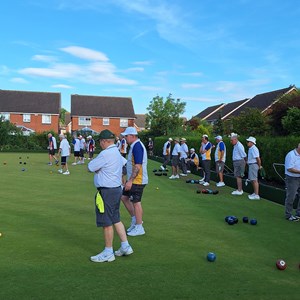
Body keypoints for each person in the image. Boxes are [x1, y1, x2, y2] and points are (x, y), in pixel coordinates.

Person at [88, 129, 133, 263]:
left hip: (107, 191)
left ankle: (108, 252)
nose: (99, 144)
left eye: (100, 141)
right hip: (116, 189)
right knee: (115, 218)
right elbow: (125, 165)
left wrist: (99, 168)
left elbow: (90, 167)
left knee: (106, 221)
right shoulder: (117, 152)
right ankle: (125, 245)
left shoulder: (105, 154)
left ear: (104, 141)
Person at [120, 127, 148, 236]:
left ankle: (139, 226)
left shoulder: (137, 146)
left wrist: (130, 180)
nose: (125, 138)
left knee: (136, 202)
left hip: (138, 180)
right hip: (134, 179)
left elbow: (138, 165)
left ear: (132, 136)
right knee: (124, 197)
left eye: (126, 136)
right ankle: (135, 220)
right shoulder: (134, 146)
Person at [284, 143, 300, 221]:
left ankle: (299, 213)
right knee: (291, 197)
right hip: (292, 178)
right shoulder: (291, 155)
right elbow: (289, 168)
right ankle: (288, 214)